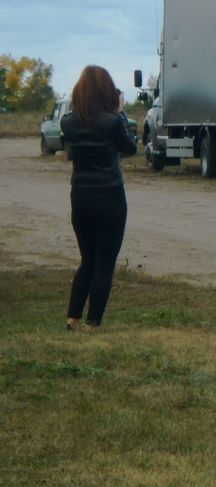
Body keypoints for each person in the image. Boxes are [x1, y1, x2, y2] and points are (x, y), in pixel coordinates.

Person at [61, 65, 138, 330]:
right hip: (109, 194)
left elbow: (70, 152)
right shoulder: (112, 120)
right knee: (105, 263)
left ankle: (72, 318)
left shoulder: (68, 122)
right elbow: (131, 148)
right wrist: (121, 111)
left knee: (88, 261)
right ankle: (93, 323)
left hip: (80, 195)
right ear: (107, 90)